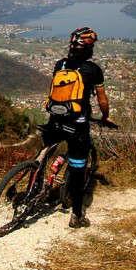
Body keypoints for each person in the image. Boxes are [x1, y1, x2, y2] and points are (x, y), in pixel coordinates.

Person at [42, 26, 114, 229]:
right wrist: (106, 117)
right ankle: (77, 215)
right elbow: (102, 100)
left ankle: (35, 178)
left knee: (44, 151)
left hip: (55, 119)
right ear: (89, 49)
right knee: (78, 168)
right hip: (77, 125)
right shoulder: (93, 70)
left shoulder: (60, 64)